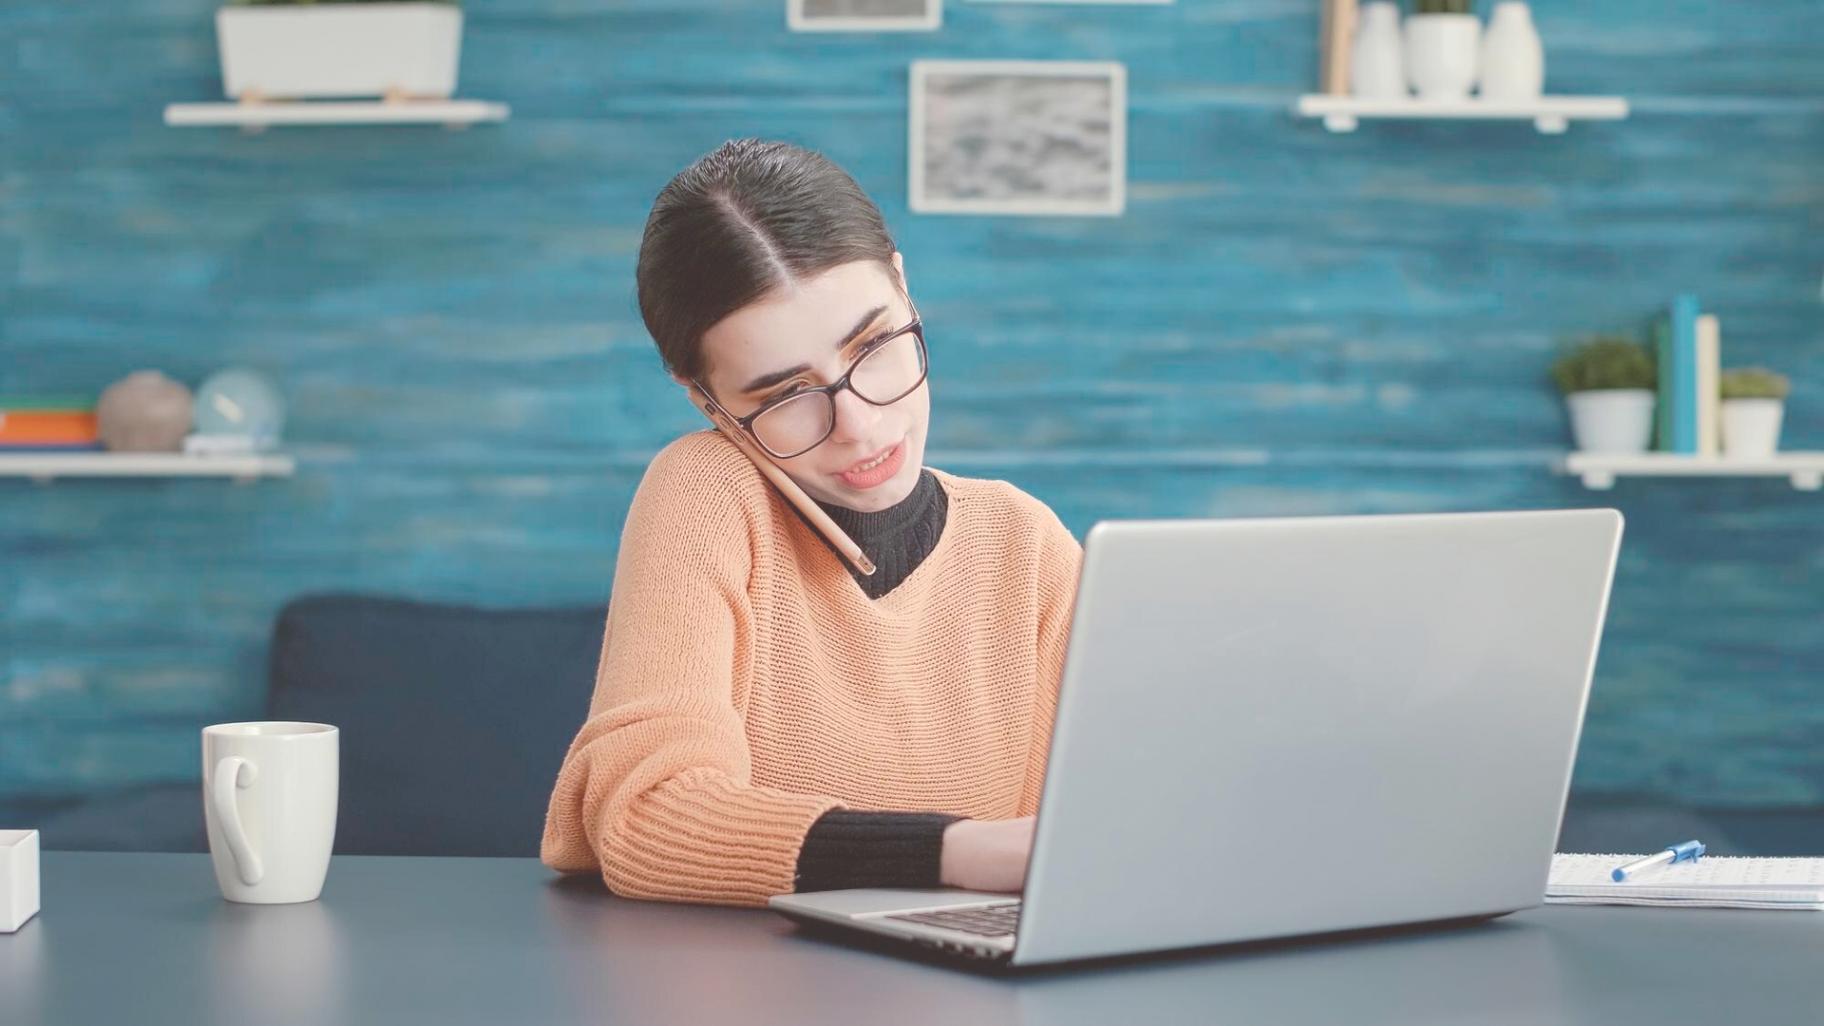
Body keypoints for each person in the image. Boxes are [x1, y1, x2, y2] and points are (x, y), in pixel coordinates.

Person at [540, 138, 1083, 907]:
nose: (859, 427)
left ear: (904, 287)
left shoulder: (1026, 545)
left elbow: (1083, 837)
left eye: (876, 345)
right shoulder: (708, 493)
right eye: (786, 395)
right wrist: (953, 853)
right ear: (708, 403)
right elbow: (645, 816)